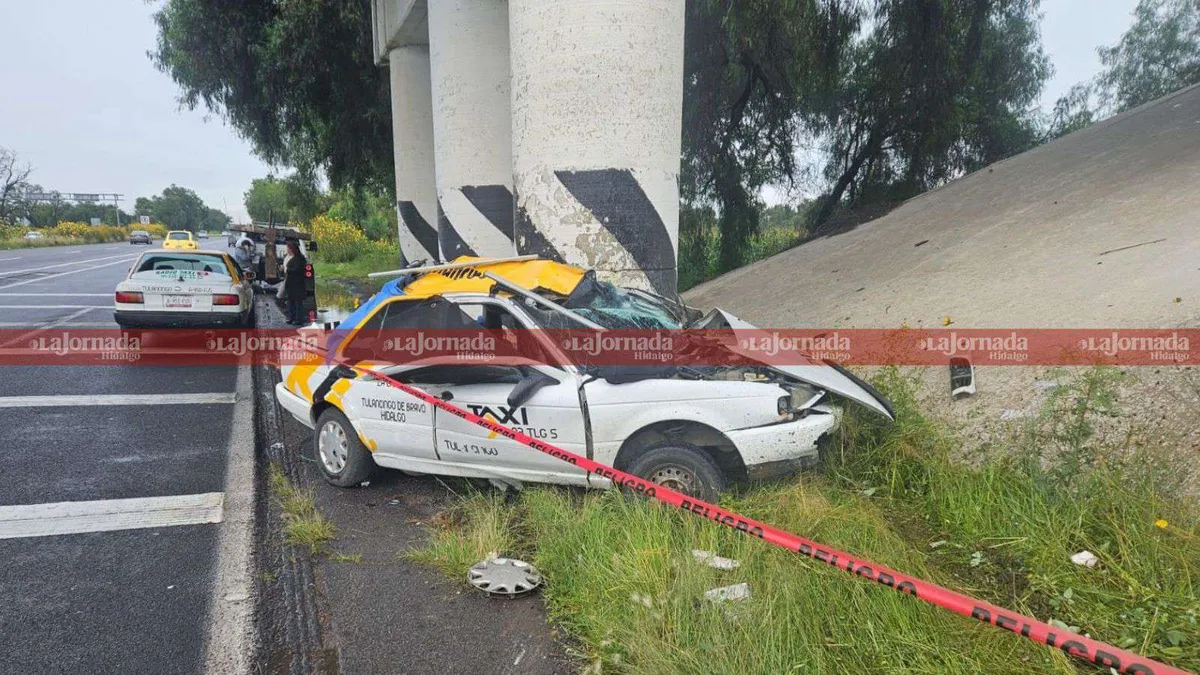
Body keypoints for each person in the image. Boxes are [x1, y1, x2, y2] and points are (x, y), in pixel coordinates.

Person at [283, 240, 308, 325]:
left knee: (298, 302)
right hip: (291, 283)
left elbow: (297, 270)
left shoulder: (299, 258)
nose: (287, 250)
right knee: (291, 302)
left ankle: (298, 319)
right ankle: (292, 317)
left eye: (288, 248)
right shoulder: (292, 257)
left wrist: (287, 269)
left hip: (297, 284)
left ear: (292, 249)